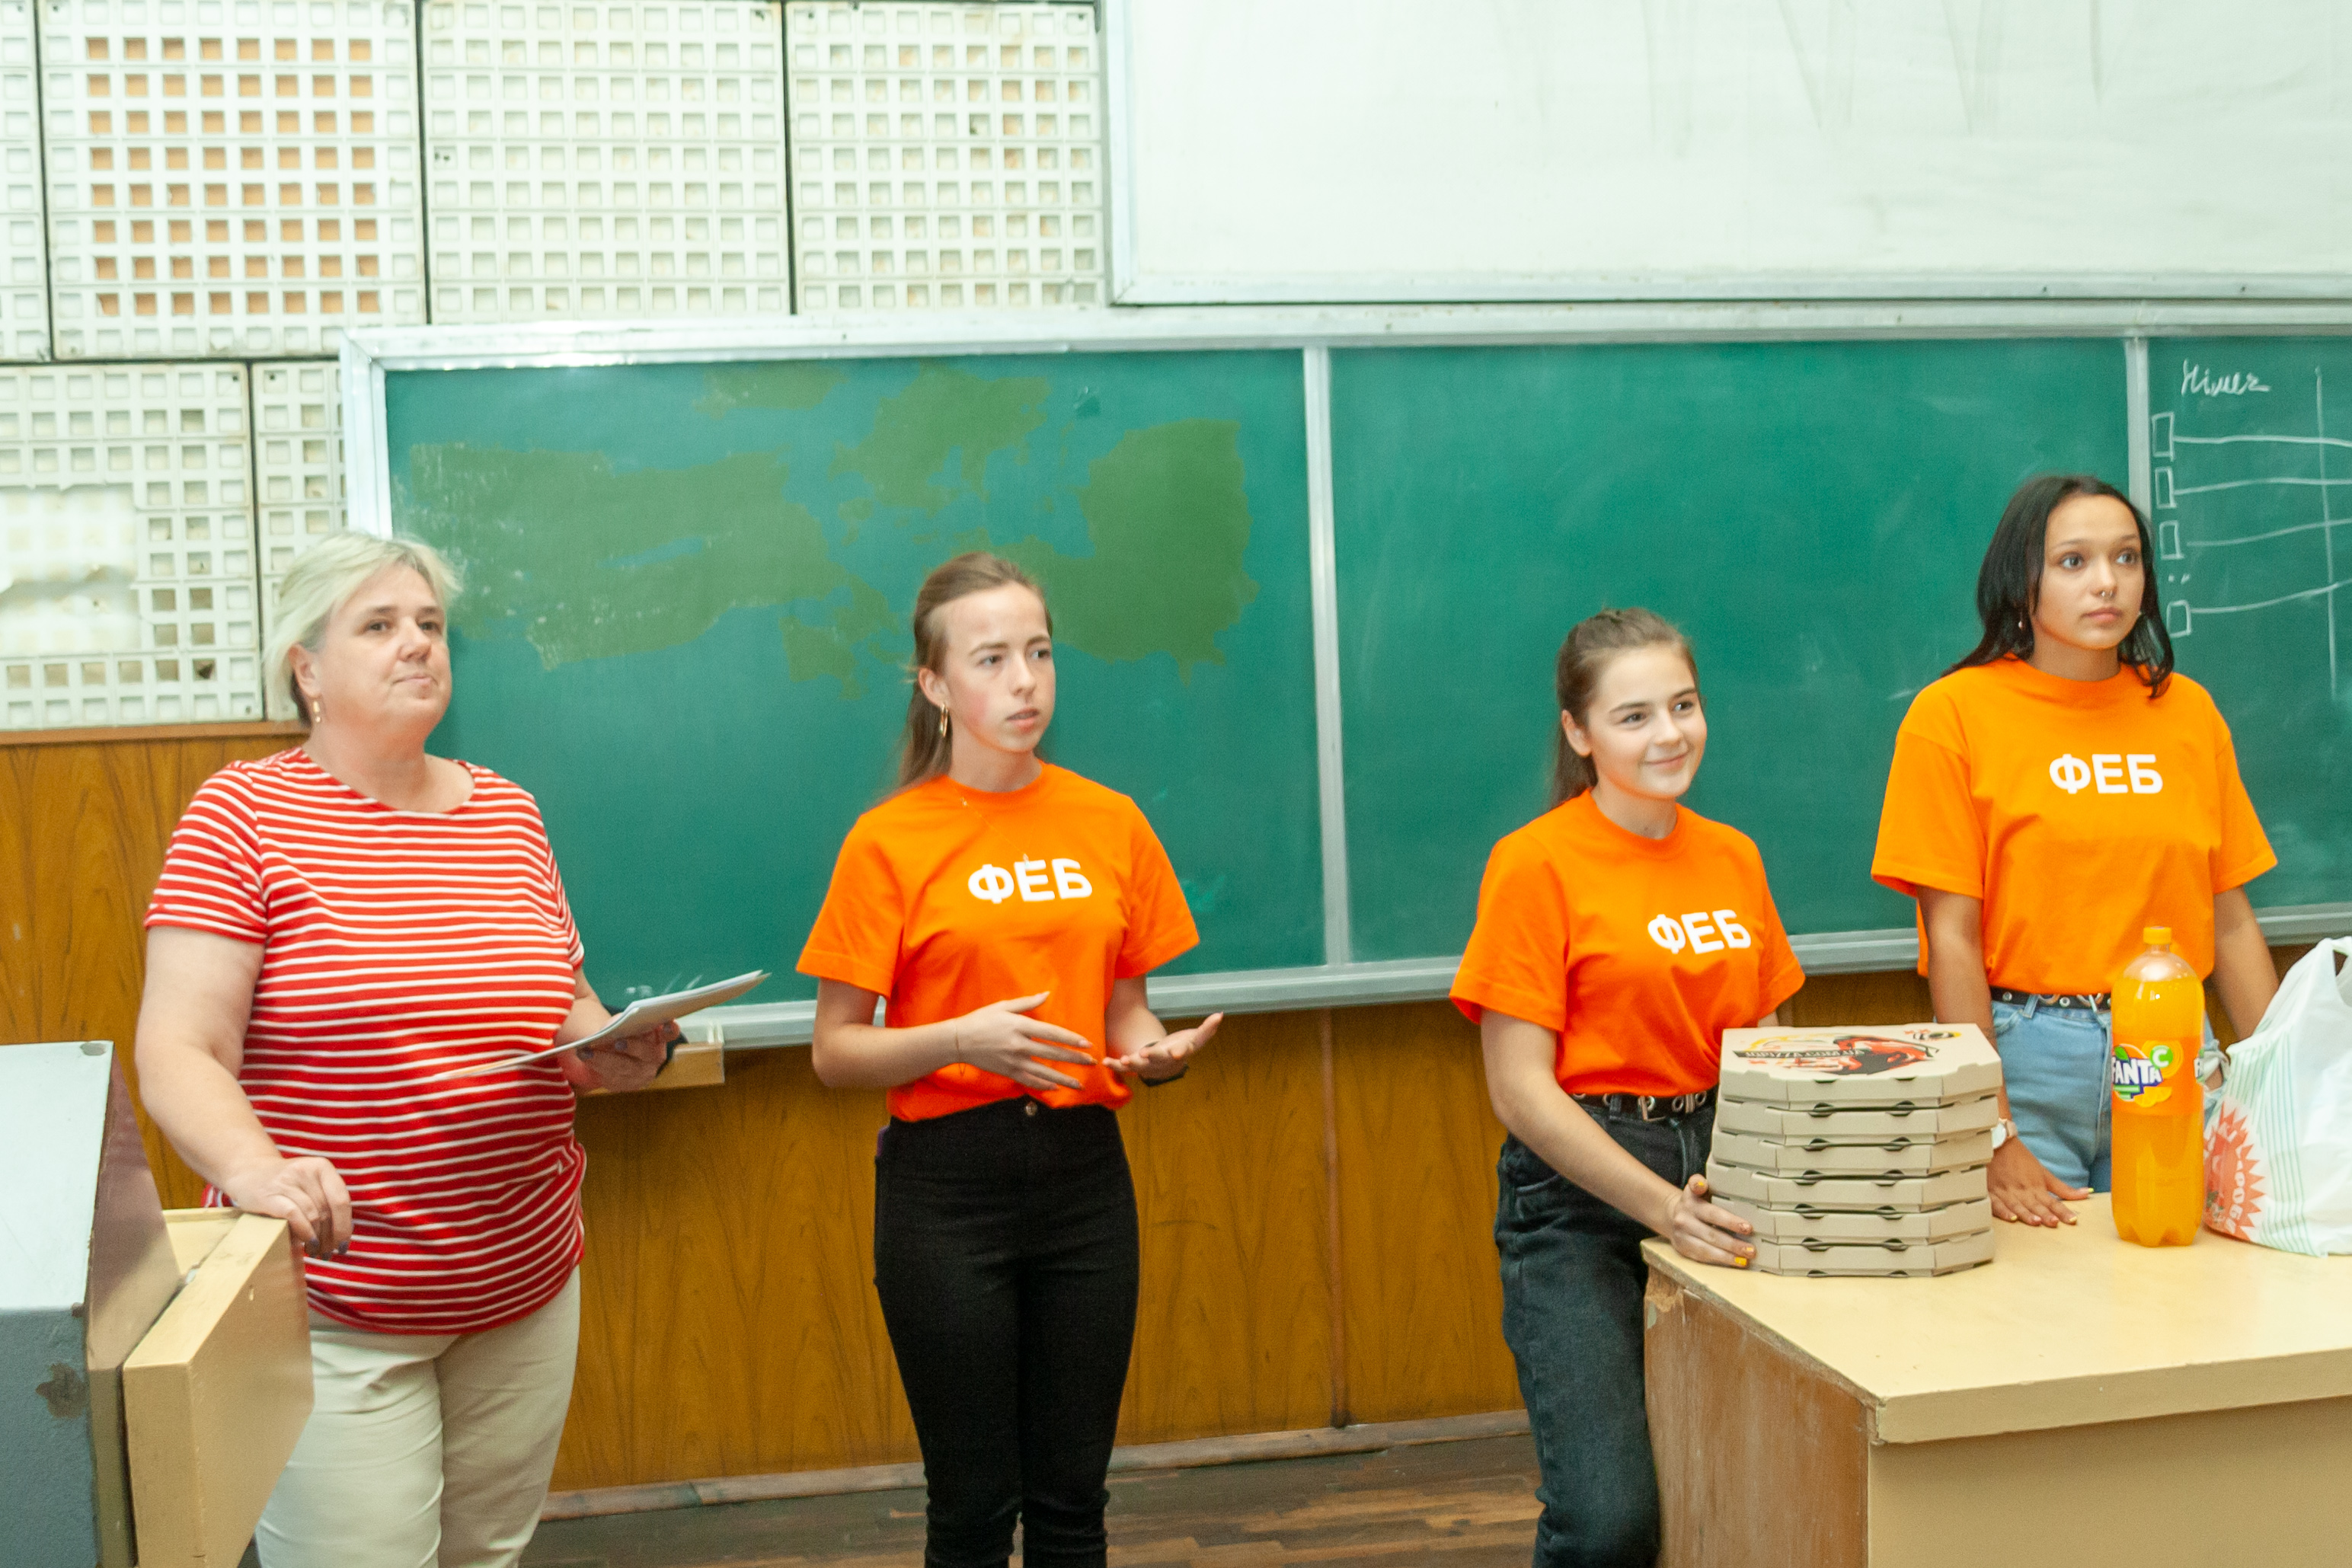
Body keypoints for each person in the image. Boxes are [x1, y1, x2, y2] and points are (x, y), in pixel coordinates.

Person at [133, 532, 676, 1568]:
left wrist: (610, 1048)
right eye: (378, 625)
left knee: (487, 1553)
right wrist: (254, 1168)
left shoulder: (507, 811)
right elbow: (178, 1047)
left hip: (522, 1282)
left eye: (429, 623)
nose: (417, 643)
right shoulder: (241, 815)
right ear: (306, 669)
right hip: (332, 1298)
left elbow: (563, 1003)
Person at [799, 552, 1220, 1568]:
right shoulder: (887, 840)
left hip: (1084, 1181)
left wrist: (1153, 1052)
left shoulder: (1109, 818)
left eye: (1039, 652)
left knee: (1073, 1500)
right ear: (936, 685)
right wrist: (960, 1039)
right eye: (990, 658)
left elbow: (1125, 1007)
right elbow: (834, 1050)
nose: (1025, 680)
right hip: (946, 1193)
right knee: (974, 1507)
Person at [1451, 607, 1803, 1568]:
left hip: (1725, 1170)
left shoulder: (1732, 856)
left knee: (1747, 1489)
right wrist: (1662, 1209)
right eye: (1634, 716)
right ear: (1578, 733)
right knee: (1608, 1521)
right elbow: (1519, 1090)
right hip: (1581, 1199)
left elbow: (1769, 1044)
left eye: (1683, 705)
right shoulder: (1534, 863)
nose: (1669, 734)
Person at [1872, 474, 2277, 1227]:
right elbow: (1951, 939)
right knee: (2045, 1291)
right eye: (2073, 561)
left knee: (2184, 1281)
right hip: (2025, 1058)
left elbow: (2230, 920)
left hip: (2172, 1043)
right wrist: (1992, 1128)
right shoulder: (1951, 715)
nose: (2107, 582)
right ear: (2018, 579)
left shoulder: (2186, 711)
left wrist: (2284, 1093)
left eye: (2126, 558)